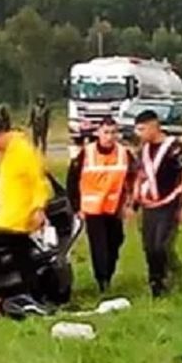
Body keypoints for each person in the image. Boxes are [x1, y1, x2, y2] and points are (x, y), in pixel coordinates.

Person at [0, 105, 51, 315]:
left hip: (16, 218)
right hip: (9, 215)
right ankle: (34, 296)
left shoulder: (23, 151)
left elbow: (38, 181)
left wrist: (39, 209)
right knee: (23, 258)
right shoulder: (6, 152)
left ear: (1, 134)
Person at [66, 120, 137, 293]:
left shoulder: (124, 154)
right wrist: (76, 208)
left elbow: (134, 179)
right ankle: (102, 281)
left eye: (113, 132)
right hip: (93, 209)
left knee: (116, 241)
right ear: (98, 133)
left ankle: (108, 273)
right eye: (106, 132)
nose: (109, 137)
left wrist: (131, 205)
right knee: (99, 246)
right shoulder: (86, 153)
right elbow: (72, 181)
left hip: (115, 208)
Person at [133, 109, 182, 297]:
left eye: (142, 129)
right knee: (149, 247)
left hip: (170, 203)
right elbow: (140, 175)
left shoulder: (175, 147)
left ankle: (171, 276)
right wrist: (134, 198)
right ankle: (156, 283)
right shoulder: (142, 150)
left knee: (162, 245)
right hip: (150, 205)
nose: (139, 134)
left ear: (154, 127)